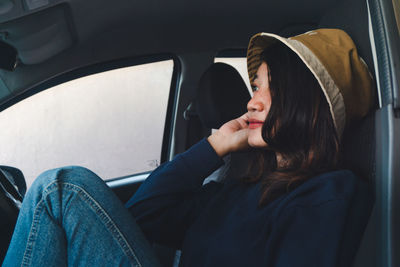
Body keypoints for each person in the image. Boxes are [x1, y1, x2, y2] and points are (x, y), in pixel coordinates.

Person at [2, 28, 375, 267]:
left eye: (267, 86)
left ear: (310, 103)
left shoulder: (329, 193)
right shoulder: (241, 187)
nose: (252, 102)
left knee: (61, 189)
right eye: (255, 87)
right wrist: (213, 147)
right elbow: (143, 216)